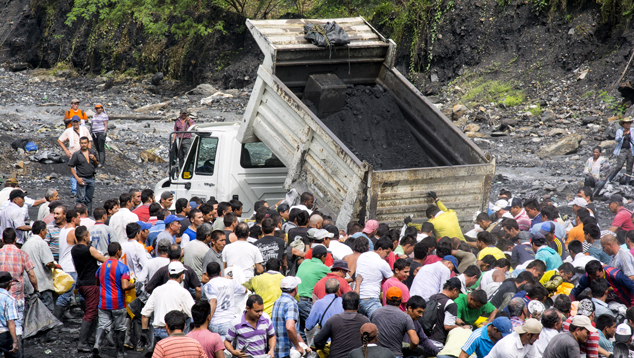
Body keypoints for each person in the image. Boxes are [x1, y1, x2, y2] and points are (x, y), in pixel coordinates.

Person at [94, 242, 135, 358]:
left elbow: (97, 282)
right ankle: (120, 352)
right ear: (118, 251)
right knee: (120, 327)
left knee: (102, 325)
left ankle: (97, 345)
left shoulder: (101, 266)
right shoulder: (122, 267)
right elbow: (125, 286)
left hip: (103, 302)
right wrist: (135, 284)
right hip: (118, 302)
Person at [71, 225, 106, 352]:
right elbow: (104, 260)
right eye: (89, 235)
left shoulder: (74, 249)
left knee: (91, 311)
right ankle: (83, 342)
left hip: (81, 283)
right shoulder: (89, 249)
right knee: (91, 312)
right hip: (91, 284)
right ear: (85, 237)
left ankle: (90, 338)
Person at [141, 262, 195, 343]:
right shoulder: (183, 292)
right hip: (173, 333)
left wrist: (144, 331)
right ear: (182, 275)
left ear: (169, 274)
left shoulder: (157, 290)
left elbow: (145, 313)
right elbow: (193, 313)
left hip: (157, 332)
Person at [0, 228, 37, 342]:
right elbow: (31, 274)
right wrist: (36, 289)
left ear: (2, 240)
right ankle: (17, 348)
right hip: (17, 295)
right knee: (18, 323)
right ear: (15, 240)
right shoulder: (22, 254)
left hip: (1, 295)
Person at [313, 291, 370, 358]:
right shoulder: (365, 321)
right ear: (358, 306)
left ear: (342, 306)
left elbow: (317, 341)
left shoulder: (332, 320)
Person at [370, 286, 418, 357]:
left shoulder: (375, 313)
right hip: (395, 355)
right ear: (401, 300)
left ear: (385, 300)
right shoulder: (405, 317)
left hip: (377, 355)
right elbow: (415, 341)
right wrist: (409, 350)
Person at [203, 262, 247, 339]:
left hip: (215, 322)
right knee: (227, 349)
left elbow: (213, 301)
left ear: (207, 274)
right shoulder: (230, 282)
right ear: (220, 272)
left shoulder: (208, 286)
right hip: (229, 322)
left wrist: (207, 321)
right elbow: (244, 290)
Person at [296, 245, 330, 337]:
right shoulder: (323, 268)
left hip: (296, 300)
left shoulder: (305, 262)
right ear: (323, 256)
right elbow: (335, 278)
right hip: (306, 302)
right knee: (317, 329)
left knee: (302, 331)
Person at [21, 221, 56, 311]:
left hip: (29, 284)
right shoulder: (42, 243)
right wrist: (56, 266)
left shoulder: (26, 244)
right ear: (41, 231)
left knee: (34, 312)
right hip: (42, 284)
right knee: (47, 311)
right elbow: (48, 263)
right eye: (46, 230)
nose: (46, 233)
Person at [272, 276, 310, 358]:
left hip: (276, 351)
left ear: (281, 288)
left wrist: (304, 345)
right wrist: (297, 347)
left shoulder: (277, 302)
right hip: (287, 352)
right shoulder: (291, 303)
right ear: (296, 288)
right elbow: (289, 327)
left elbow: (294, 328)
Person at [356, 237, 394, 317]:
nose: (387, 256)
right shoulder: (381, 262)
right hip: (372, 300)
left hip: (357, 299)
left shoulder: (362, 256)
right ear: (379, 249)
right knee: (380, 325)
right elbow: (393, 279)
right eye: (387, 252)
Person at [58, 115, 92, 197]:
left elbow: (89, 140)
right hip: (73, 155)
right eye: (74, 122)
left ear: (80, 122)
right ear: (72, 123)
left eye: (77, 122)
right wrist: (66, 150)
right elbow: (60, 140)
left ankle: (84, 189)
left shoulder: (84, 130)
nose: (75, 123)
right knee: (74, 172)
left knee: (84, 172)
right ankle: (74, 190)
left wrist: (89, 151)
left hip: (84, 154)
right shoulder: (68, 131)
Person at [427, 277, 461, 348]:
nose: (458, 296)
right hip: (437, 342)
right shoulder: (451, 304)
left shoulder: (432, 297)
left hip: (425, 339)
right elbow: (448, 326)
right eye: (459, 292)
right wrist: (462, 328)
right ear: (454, 290)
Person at [69, 136, 98, 214]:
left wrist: (94, 159)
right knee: (81, 199)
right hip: (82, 178)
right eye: (82, 143)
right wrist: (77, 178)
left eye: (85, 143)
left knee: (89, 199)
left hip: (91, 178)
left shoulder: (92, 152)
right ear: (80, 144)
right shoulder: (76, 154)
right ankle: (78, 215)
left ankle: (88, 215)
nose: (84, 144)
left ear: (88, 143)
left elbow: (96, 165)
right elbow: (71, 167)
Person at [606, 117, 634, 187]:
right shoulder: (619, 131)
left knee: (629, 167)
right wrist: (622, 135)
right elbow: (616, 140)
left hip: (630, 150)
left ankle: (627, 183)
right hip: (622, 150)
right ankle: (609, 179)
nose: (628, 125)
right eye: (626, 123)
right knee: (619, 166)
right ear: (623, 124)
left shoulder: (632, 130)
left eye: (629, 123)